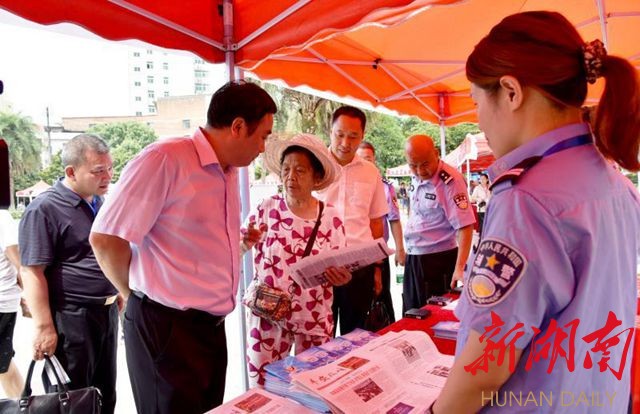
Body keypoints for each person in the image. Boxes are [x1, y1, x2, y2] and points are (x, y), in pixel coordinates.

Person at [433, 11, 640, 414]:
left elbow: (485, 365)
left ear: (511, 92)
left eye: (478, 101)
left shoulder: (525, 200)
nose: (478, 119)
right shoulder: (616, 184)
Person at [89, 81, 277, 414]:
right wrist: (134, 296)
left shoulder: (228, 171)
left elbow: (196, 242)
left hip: (209, 328)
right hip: (166, 327)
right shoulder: (165, 159)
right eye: (263, 135)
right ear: (237, 127)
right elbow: (106, 238)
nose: (263, 147)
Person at [242, 133, 351, 386]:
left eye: (300, 170)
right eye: (286, 169)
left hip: (313, 315)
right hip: (268, 314)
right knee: (264, 386)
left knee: (312, 389)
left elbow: (341, 267)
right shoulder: (266, 208)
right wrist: (245, 242)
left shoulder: (331, 217)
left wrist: (343, 277)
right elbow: (236, 249)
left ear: (316, 177)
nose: (291, 177)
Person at [19, 134, 118, 413]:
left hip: (106, 314)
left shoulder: (101, 203)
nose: (107, 176)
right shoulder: (45, 208)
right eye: (98, 171)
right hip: (71, 317)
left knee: (103, 394)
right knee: (72, 400)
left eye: (110, 168)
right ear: (71, 172)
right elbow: (31, 271)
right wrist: (44, 327)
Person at [316, 106, 388, 335]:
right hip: (322, 267)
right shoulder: (314, 167)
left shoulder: (370, 172)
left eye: (353, 136)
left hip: (360, 268)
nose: (345, 142)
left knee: (356, 337)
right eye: (340, 134)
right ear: (330, 131)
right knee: (319, 337)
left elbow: (376, 222)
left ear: (362, 136)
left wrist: (377, 269)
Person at [403, 135, 475, 313]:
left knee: (431, 316)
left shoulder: (451, 181)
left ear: (436, 154)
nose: (420, 171)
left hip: (438, 260)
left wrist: (459, 268)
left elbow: (465, 226)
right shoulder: (416, 177)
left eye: (425, 164)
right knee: (411, 313)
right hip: (414, 256)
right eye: (413, 165)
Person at [356, 141, 406, 322]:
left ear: (374, 159)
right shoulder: (352, 185)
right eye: (361, 159)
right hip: (357, 256)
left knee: (382, 298)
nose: (365, 163)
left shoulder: (385, 187)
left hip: (379, 253)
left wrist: (400, 249)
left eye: (368, 158)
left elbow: (394, 220)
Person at [0, 209, 23, 398]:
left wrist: (29, 298)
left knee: (3, 362)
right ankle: (22, 406)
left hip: (1, 300)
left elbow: (20, 263)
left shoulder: (2, 217)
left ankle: (22, 406)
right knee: (3, 362)